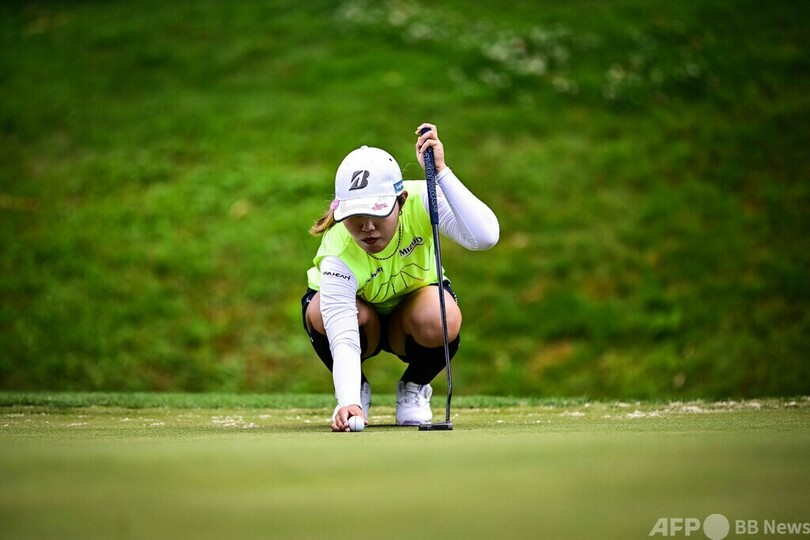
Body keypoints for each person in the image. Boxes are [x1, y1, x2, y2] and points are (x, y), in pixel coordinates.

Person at [302, 123, 499, 432]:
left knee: (442, 315)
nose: (367, 227)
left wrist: (442, 172)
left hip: (412, 314)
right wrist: (347, 398)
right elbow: (343, 334)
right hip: (361, 320)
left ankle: (414, 386)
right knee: (319, 311)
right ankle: (358, 391)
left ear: (401, 200)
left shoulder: (423, 199)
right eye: (356, 216)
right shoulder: (337, 251)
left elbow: (485, 237)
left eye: (377, 212)